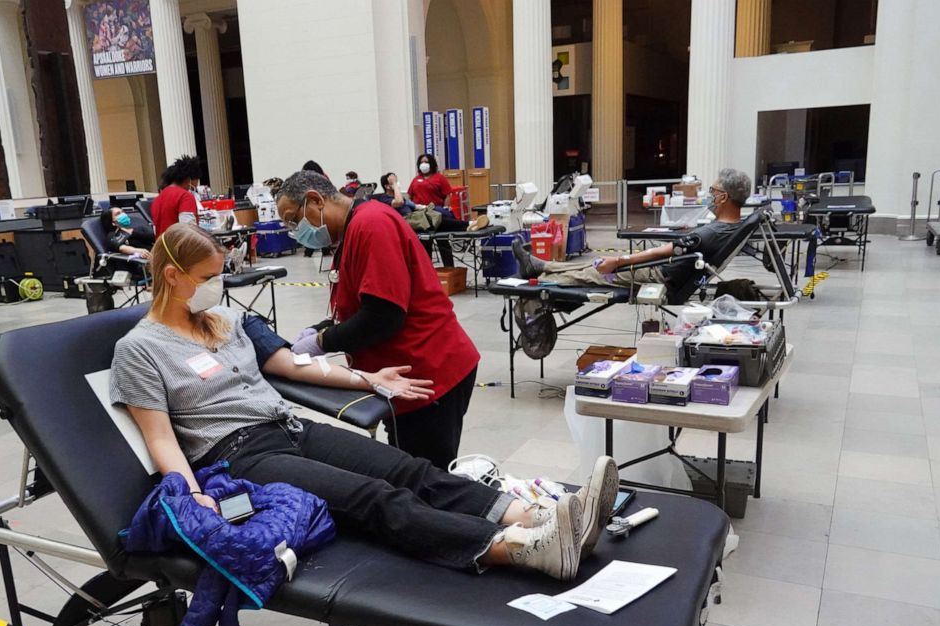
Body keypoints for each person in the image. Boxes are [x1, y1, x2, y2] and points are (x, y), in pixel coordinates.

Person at [109, 222, 621, 581]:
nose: (216, 286)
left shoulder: (226, 322)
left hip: (288, 428)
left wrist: (368, 378)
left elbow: (293, 365)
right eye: (206, 278)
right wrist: (192, 492)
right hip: (239, 455)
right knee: (378, 498)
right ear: (172, 275)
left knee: (408, 470)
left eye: (219, 275)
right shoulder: (140, 349)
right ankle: (524, 552)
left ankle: (536, 518)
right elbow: (159, 436)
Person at [275, 171, 479, 469]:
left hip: (428, 372)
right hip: (400, 378)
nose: (296, 231)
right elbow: (361, 305)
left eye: (294, 220)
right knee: (407, 464)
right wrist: (321, 329)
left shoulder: (372, 224)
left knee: (427, 477)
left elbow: (383, 316)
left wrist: (321, 342)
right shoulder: (350, 232)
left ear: (315, 200)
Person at [512, 168, 753, 289]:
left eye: (713, 191)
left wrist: (619, 262)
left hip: (659, 274)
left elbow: (664, 252)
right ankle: (542, 265)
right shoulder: (729, 227)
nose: (709, 196)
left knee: (596, 272)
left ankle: (542, 279)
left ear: (724, 197)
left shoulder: (712, 232)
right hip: (667, 270)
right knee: (595, 262)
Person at [151, 155, 202, 237]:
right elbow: (188, 230)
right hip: (179, 247)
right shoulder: (185, 196)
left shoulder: (157, 199)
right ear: (188, 179)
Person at [300, 160, 332, 258]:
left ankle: (308, 251)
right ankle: (326, 250)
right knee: (323, 228)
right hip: (324, 205)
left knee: (311, 229)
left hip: (312, 206)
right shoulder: (324, 177)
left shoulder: (306, 180)